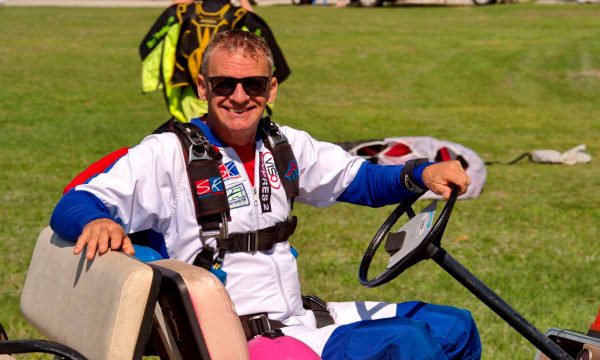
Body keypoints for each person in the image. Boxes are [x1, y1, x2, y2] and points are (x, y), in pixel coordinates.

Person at [51, 30, 481, 359]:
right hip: (239, 338)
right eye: (224, 85)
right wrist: (96, 219)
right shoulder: (166, 154)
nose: (239, 97)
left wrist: (422, 172)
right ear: (203, 88)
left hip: (299, 318)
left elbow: (361, 181)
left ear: (271, 89)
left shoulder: (284, 144)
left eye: (253, 84)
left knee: (454, 326)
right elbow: (75, 202)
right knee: (403, 342)